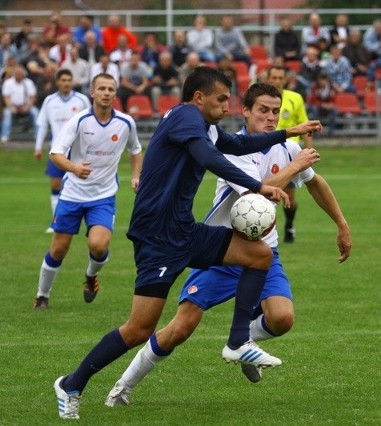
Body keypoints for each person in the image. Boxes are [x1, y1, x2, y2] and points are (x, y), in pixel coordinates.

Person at [52, 66, 322, 420]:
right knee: (139, 329)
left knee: (259, 255)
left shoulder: (206, 126)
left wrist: (290, 131)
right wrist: (258, 186)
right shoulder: (183, 117)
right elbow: (211, 158)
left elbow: (238, 142)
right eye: (221, 99)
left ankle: (239, 340)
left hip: (185, 230)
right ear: (199, 98)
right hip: (157, 237)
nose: (227, 107)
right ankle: (71, 383)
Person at [104, 82, 351, 405]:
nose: (270, 117)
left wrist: (342, 224)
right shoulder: (231, 148)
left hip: (263, 251)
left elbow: (315, 182)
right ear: (245, 111)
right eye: (262, 110)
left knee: (282, 318)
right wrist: (294, 167)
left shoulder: (287, 149)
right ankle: (124, 386)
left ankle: (242, 340)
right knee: (181, 328)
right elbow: (254, 191)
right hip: (221, 250)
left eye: (276, 112)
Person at [33, 72, 141, 311]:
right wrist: (73, 167)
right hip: (72, 194)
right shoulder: (79, 120)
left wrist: (136, 176)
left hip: (103, 196)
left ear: (115, 94)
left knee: (99, 246)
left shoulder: (125, 123)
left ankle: (91, 276)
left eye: (110, 89)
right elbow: (56, 153)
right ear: (92, 93)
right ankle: (42, 295)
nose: (106, 93)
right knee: (59, 249)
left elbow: (135, 149)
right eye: (101, 89)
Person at [34, 69, 91, 234]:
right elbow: (43, 125)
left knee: (82, 185)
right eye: (63, 80)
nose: (66, 83)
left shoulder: (82, 100)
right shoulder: (49, 101)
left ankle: (90, 220)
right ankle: (56, 222)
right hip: (57, 150)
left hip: (78, 150)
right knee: (55, 184)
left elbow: (90, 121)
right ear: (57, 82)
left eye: (69, 80)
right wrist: (38, 147)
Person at [267, 65, 313, 244]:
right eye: (274, 77)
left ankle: (289, 224)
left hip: (289, 156)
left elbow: (305, 125)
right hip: (265, 154)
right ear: (268, 79)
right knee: (265, 195)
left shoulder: (295, 98)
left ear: (285, 80)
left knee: (289, 198)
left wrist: (309, 151)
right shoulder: (263, 100)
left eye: (280, 78)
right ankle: (267, 232)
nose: (277, 81)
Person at [0, 66, 39, 143]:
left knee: (35, 112)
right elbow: (6, 98)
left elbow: (32, 97)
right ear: (14, 74)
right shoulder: (8, 83)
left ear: (23, 75)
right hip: (12, 106)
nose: (19, 76)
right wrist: (11, 107)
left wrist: (27, 107)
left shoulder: (29, 83)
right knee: (7, 113)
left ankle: (37, 136)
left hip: (26, 106)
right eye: (17, 74)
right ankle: (4, 136)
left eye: (21, 74)